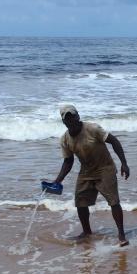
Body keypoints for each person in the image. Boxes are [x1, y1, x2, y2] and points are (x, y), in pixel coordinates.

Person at [53, 104, 130, 246]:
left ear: (78, 116)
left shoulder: (92, 129)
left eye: (72, 117)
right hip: (86, 171)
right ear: (63, 122)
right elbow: (68, 162)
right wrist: (58, 180)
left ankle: (121, 234)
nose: (71, 121)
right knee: (80, 202)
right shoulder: (65, 139)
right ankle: (87, 232)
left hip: (104, 169)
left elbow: (114, 141)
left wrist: (124, 164)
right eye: (67, 119)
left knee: (113, 202)